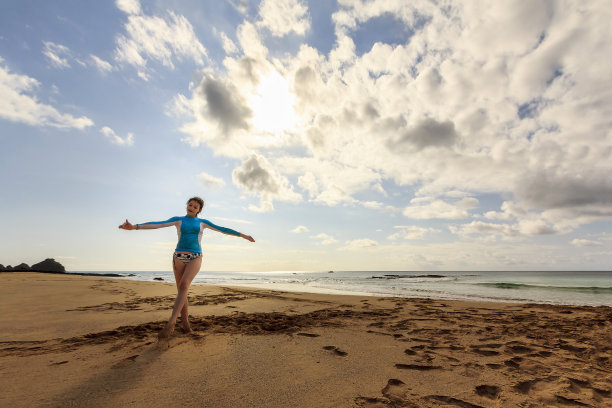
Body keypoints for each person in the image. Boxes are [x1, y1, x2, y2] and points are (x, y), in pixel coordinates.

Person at [119, 196, 255, 340]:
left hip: (195, 257)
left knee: (184, 285)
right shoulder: (179, 220)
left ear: (199, 210)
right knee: (181, 292)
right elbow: (158, 224)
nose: (192, 208)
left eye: (195, 207)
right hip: (178, 257)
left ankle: (171, 322)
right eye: (190, 205)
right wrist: (134, 227)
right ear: (187, 206)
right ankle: (185, 324)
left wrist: (243, 236)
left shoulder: (202, 223)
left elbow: (223, 229)